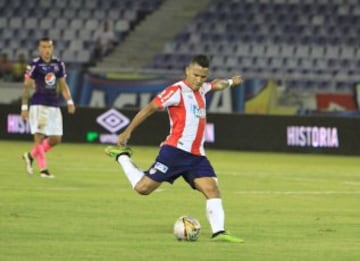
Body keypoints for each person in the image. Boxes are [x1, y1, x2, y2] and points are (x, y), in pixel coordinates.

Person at [105, 54, 244, 242]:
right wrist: (127, 131)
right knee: (143, 188)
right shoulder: (176, 91)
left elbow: (216, 84)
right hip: (175, 152)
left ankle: (219, 232)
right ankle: (121, 156)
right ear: (187, 70)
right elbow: (150, 108)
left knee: (212, 189)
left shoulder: (202, 88)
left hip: (196, 156)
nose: (199, 80)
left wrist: (230, 82)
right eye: (195, 75)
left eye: (203, 77)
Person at [21, 37, 76, 178]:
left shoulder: (58, 64)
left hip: (54, 104)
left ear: (52, 48)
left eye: (49, 47)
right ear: (40, 49)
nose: (47, 50)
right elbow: (27, 86)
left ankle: (30, 155)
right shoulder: (34, 65)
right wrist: (24, 106)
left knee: (56, 139)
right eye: (44, 47)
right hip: (39, 104)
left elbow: (63, 85)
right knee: (39, 137)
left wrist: (69, 101)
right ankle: (43, 170)